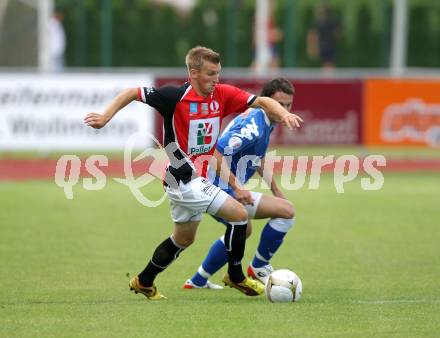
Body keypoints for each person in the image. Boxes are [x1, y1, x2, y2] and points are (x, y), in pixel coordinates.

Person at [84, 46, 303, 300]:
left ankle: (144, 281)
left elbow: (261, 101)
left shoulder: (222, 94)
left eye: (218, 73)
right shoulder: (174, 97)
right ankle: (235, 275)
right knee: (240, 216)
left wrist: (284, 113)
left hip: (195, 180)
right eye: (210, 74)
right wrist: (105, 116)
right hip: (183, 178)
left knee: (183, 239)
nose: (216, 79)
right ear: (193, 72)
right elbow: (132, 93)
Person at [183, 78, 297, 290]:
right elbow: (217, 153)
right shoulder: (254, 124)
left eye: (288, 105)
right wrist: (237, 187)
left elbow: (257, 158)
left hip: (217, 185)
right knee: (287, 212)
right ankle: (259, 267)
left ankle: (197, 281)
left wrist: (276, 190)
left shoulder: (266, 121)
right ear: (266, 101)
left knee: (243, 230)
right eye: (280, 104)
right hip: (215, 188)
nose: (284, 110)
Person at [307, 2, 340, 70]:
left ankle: (327, 77)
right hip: (329, 45)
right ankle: (328, 78)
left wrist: (312, 48)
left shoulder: (318, 21)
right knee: (329, 64)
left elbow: (312, 35)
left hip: (322, 45)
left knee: (326, 64)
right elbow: (337, 34)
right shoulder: (333, 21)